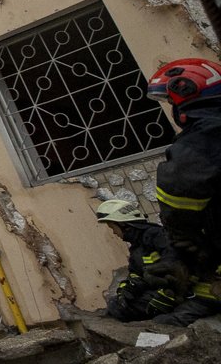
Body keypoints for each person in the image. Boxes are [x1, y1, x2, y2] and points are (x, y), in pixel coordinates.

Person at [147, 58, 221, 326]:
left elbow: (179, 193)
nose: (172, 108)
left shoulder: (204, 137)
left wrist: (182, 246)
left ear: (186, 92)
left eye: (170, 101)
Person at [94, 198, 183, 322]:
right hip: (156, 291)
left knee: (118, 310)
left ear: (123, 224)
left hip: (173, 293)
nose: (114, 232)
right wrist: (125, 291)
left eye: (113, 227)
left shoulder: (155, 235)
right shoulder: (137, 246)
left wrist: (167, 294)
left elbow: (176, 265)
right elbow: (135, 274)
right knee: (116, 304)